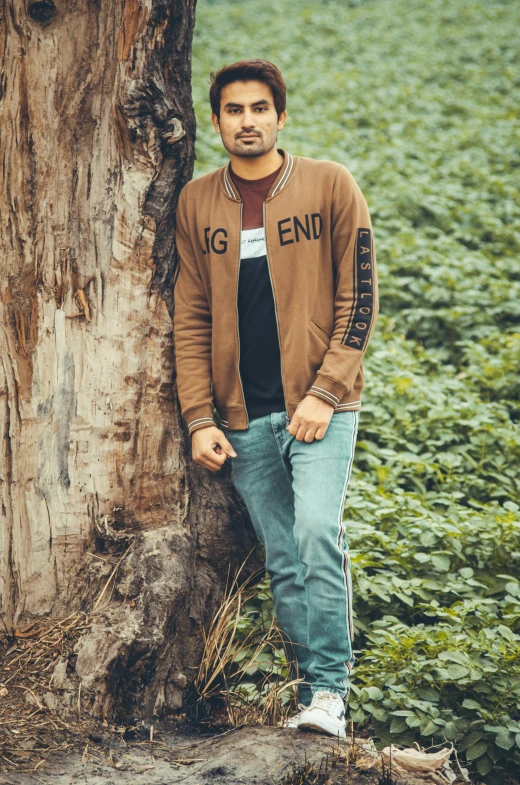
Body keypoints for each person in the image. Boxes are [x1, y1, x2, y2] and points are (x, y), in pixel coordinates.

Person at [173, 59, 379, 738]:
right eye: (234, 110)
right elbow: (192, 314)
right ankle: (305, 689)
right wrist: (200, 416)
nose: (248, 120)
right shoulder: (197, 203)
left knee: (318, 531)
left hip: (318, 410)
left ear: (281, 116)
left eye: (260, 108)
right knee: (284, 557)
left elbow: (361, 297)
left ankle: (331, 691)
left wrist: (324, 392)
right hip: (243, 419)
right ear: (217, 121)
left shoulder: (330, 186)